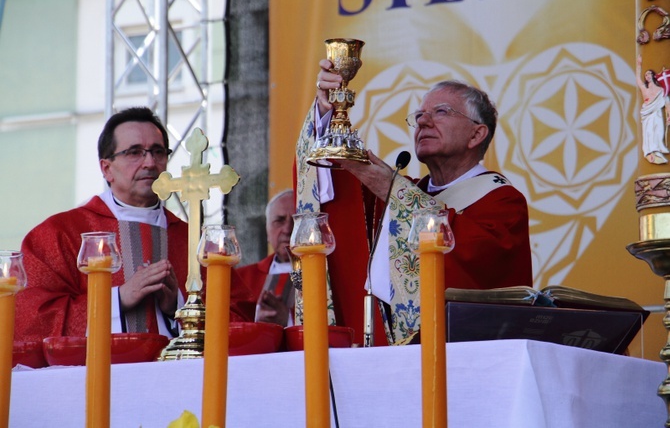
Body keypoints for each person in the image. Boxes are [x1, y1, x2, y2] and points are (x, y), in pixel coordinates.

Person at [293, 59, 533, 346]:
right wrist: (327, 111)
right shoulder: (405, 191)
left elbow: (477, 264)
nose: (422, 121)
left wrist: (393, 189)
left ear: (476, 134)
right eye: (419, 115)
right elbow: (339, 202)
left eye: (441, 112)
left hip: (457, 354)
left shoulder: (502, 199)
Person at [15, 107, 254, 342]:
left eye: (158, 151)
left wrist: (178, 306)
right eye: (134, 152)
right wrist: (119, 299)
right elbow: (31, 318)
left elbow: (239, 319)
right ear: (106, 168)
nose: (150, 162)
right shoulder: (61, 234)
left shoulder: (194, 241)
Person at [235, 189, 296, 326]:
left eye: (295, 220)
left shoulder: (326, 276)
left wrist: (289, 319)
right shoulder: (241, 279)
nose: (287, 230)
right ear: (267, 230)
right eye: (279, 220)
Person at [637, 54, 670, 164]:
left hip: (657, 114)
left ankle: (658, 151)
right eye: (646, 75)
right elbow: (637, 79)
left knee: (659, 131)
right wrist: (639, 65)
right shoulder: (644, 89)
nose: (647, 76)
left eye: (649, 74)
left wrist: (669, 115)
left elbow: (666, 102)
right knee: (649, 133)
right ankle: (651, 153)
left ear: (653, 76)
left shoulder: (660, 89)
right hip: (647, 114)